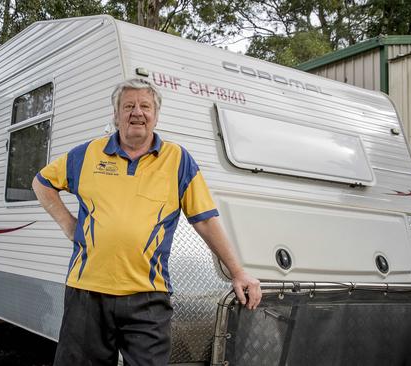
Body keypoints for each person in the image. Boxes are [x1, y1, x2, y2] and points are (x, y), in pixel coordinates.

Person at [32, 78, 261, 365]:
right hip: (87, 291)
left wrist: (238, 271)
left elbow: (205, 219)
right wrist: (68, 224)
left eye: (144, 106)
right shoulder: (88, 154)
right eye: (128, 106)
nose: (136, 112)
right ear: (116, 115)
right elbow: (42, 182)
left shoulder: (177, 160)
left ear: (155, 115)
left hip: (148, 296)